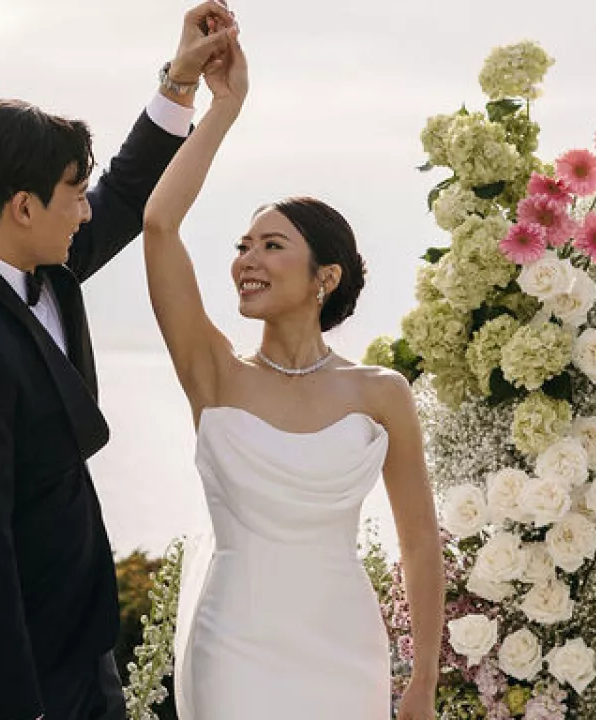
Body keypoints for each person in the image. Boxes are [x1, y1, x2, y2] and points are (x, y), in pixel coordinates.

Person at [0, 4, 237, 719]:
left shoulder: (37, 264)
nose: (86, 213)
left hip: (74, 639)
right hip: (17, 669)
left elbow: (121, 196)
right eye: (72, 197)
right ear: (24, 207)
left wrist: (179, 83)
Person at [138, 28, 447, 720]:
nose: (248, 259)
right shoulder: (213, 374)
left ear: (324, 277)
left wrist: (421, 679)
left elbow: (420, 542)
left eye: (272, 246)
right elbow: (159, 223)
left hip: (344, 648)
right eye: (243, 245)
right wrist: (224, 105)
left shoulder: (381, 395)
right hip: (234, 648)